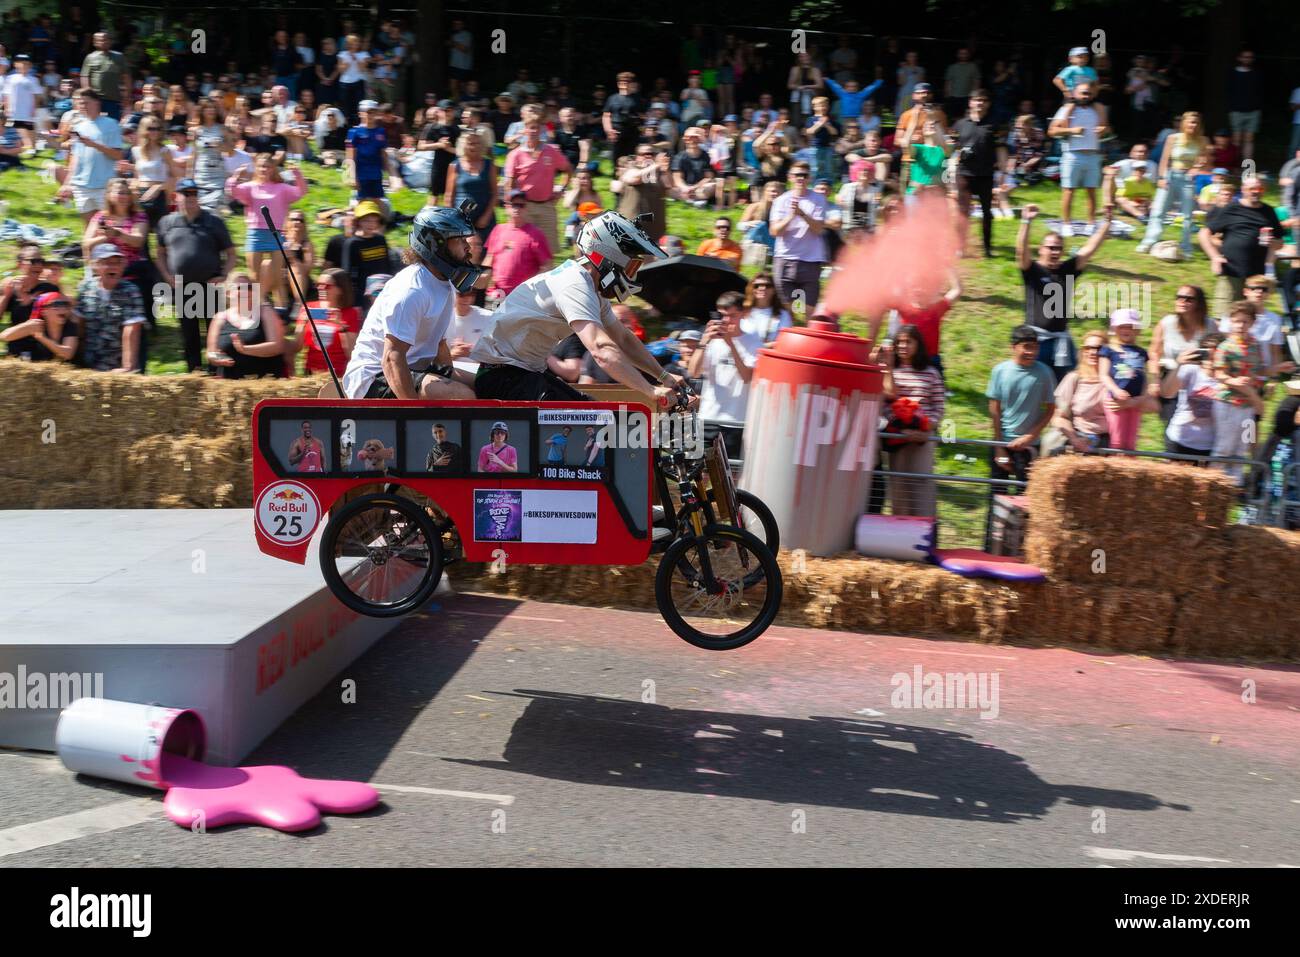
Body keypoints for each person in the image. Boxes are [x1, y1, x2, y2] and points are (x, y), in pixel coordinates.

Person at [470, 211, 688, 409]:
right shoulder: (575, 284)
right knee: (597, 422)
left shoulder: (590, 287)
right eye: (631, 267)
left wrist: (663, 376)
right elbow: (601, 350)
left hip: (521, 373)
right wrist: (649, 391)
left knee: (598, 416)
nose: (632, 276)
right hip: (503, 377)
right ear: (609, 257)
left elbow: (622, 338)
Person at [339, 203, 481, 400]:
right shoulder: (412, 290)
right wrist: (412, 419)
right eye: (459, 239)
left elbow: (439, 347)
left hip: (415, 369)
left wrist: (451, 379)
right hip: (373, 379)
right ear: (436, 244)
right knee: (462, 396)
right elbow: (391, 358)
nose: (467, 246)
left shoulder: (445, 283)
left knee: (486, 385)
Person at [1015, 201, 1113, 382]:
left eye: (1059, 248)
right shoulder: (1032, 270)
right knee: (1033, 383)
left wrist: (1106, 222)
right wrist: (1026, 222)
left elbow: (1090, 249)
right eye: (1051, 247)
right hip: (1037, 340)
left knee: (1066, 383)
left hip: (1061, 340)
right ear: (1041, 249)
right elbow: (1021, 251)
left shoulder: (1067, 270)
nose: (1055, 252)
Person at [155, 178, 236, 372]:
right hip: (182, 287)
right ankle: (195, 373)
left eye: (194, 193)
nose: (191, 197)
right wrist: (166, 276)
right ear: (176, 196)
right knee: (189, 335)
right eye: (186, 193)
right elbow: (159, 253)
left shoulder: (214, 221)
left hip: (210, 286)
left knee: (214, 333)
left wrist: (224, 275)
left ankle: (217, 372)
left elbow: (232, 253)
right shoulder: (166, 222)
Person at [879, 323, 944, 515]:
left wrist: (925, 428)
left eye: (908, 342)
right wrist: (901, 429)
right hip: (898, 436)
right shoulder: (890, 373)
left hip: (922, 436)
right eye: (899, 342)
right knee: (898, 485)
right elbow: (885, 403)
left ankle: (925, 530)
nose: (903, 346)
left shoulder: (932, 373)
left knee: (922, 482)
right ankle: (900, 531)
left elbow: (939, 407)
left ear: (918, 345)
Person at [225, 153, 306, 308]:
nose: (264, 169)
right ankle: (257, 308)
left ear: (272, 169)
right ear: (257, 168)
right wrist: (236, 176)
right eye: (261, 166)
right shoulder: (250, 187)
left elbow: (300, 192)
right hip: (255, 233)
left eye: (267, 166)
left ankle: (281, 310)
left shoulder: (281, 188)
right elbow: (232, 191)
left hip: (275, 234)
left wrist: (297, 174)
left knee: (276, 278)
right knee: (254, 277)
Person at [688, 291, 761, 461]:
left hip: (735, 421)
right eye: (722, 315)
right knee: (700, 472)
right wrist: (703, 342)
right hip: (708, 417)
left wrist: (731, 344)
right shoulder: (711, 340)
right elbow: (693, 372)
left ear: (744, 314)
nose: (726, 321)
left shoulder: (754, 342)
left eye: (732, 315)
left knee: (730, 475)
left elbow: (746, 377)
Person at [1200, 175, 1284, 316]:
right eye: (1252, 188)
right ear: (1244, 190)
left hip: (1256, 276)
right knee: (1223, 317)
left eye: (1259, 188)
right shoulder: (1232, 208)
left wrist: (1273, 243)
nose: (1256, 191)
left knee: (1252, 319)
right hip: (1231, 271)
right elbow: (1204, 233)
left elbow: (1280, 242)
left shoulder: (1269, 212)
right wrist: (1214, 257)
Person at [987, 324, 1057, 485]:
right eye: (1026, 347)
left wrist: (1030, 436)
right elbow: (994, 409)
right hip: (1003, 443)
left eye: (1035, 347)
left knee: (1026, 497)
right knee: (998, 496)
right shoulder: (1000, 371)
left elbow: (1050, 410)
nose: (1031, 352)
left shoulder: (1045, 373)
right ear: (1014, 347)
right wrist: (998, 446)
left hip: (1029, 447)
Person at [1210, 301, 1268, 481]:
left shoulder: (1255, 345)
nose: (1240, 325)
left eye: (1245, 322)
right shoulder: (1225, 346)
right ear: (1231, 322)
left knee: (1242, 447)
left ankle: (1234, 486)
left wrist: (1277, 369)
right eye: (1236, 321)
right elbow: (1218, 373)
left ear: (1252, 323)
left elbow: (1258, 370)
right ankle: (1214, 484)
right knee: (1224, 447)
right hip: (1228, 403)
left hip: (1248, 407)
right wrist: (1234, 381)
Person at [1136, 111, 1207, 256]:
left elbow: (1203, 159)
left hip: (1187, 179)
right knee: (1159, 211)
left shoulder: (1202, 140)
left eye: (1196, 123)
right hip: (1171, 175)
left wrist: (1196, 168)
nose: (1193, 125)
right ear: (1184, 123)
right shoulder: (1173, 138)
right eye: (1191, 122)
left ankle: (1186, 247)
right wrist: (1162, 177)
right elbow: (1164, 160)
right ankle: (1148, 242)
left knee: (1187, 215)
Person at [1148, 284, 1216, 423]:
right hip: (1171, 377)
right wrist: (1154, 381)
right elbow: (1154, 353)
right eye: (1179, 297)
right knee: (1172, 423)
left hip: (1198, 380)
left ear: (1199, 303)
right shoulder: (1166, 323)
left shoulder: (1210, 325)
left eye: (1189, 299)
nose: (1182, 301)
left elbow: (1220, 350)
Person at [75, 244, 147, 373]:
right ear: (95, 266)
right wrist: (76, 362)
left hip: (117, 363)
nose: (113, 267)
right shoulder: (85, 288)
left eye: (118, 262)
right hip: (89, 362)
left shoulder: (131, 291)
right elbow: (79, 324)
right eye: (107, 262)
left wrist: (127, 368)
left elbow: (131, 329)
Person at [56, 88, 124, 223]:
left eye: (86, 103)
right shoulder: (78, 126)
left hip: (104, 186)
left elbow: (118, 155)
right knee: (89, 229)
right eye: (80, 103)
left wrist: (95, 145)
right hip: (82, 186)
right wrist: (67, 184)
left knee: (108, 227)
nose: (83, 106)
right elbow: (75, 158)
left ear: (97, 103)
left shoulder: (111, 124)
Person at [1048, 81, 1109, 233]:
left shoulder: (1098, 109)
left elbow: (1108, 130)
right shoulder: (1066, 109)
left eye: (1088, 93)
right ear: (1075, 93)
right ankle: (1067, 224)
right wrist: (1072, 130)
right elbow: (1052, 131)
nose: (1085, 96)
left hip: (1093, 155)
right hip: (1072, 154)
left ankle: (1091, 224)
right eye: (1082, 93)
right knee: (1069, 191)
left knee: (1092, 191)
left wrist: (1104, 130)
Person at [769, 160, 828, 312]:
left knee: (808, 309)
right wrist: (790, 216)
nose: (800, 178)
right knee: (786, 309)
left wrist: (802, 214)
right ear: (790, 177)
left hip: (810, 260)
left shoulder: (819, 199)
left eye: (804, 175)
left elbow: (818, 229)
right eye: (797, 175)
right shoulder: (781, 201)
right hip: (785, 258)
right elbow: (775, 232)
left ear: (809, 178)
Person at [503, 122, 571, 252]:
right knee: (523, 249)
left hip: (547, 206)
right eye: (530, 128)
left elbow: (567, 169)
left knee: (548, 251)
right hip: (524, 206)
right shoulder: (515, 154)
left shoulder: (551, 151)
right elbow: (509, 184)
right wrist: (510, 206)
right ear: (524, 130)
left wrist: (561, 189)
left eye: (537, 128)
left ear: (542, 131)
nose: (533, 131)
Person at [206, 270, 287, 379]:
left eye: (249, 287)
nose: (245, 291)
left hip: (264, 381)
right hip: (228, 383)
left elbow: (277, 346)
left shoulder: (266, 312)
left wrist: (245, 349)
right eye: (240, 288)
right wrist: (216, 358)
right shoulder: (220, 317)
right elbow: (211, 352)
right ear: (228, 293)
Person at [1159, 331, 1223, 460]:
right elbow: (1167, 393)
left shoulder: (1226, 378)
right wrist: (1179, 365)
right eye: (1206, 352)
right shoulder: (1191, 370)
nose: (1210, 358)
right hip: (1178, 440)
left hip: (1208, 446)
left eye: (1215, 353)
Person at [483, 190, 553, 306]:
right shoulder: (498, 230)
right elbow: (489, 258)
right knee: (490, 324)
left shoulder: (536, 234)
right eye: (513, 205)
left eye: (521, 205)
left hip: (523, 297)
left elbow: (547, 265)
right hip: (496, 295)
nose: (517, 209)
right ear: (506, 207)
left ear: (526, 208)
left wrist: (530, 288)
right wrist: (481, 276)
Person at [1047, 328, 1111, 454]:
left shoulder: (1114, 381)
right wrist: (1074, 439)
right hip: (1079, 439)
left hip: (1109, 443)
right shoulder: (1073, 379)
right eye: (1088, 348)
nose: (1093, 352)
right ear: (1082, 352)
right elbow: (1058, 417)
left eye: (1098, 348)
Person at [1097, 308, 1152, 451]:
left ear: (1137, 330)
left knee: (1131, 441)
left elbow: (1144, 376)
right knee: (1118, 440)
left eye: (1131, 326)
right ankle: (1116, 467)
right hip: (1117, 401)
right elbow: (1103, 375)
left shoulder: (1141, 352)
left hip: (1136, 401)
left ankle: (1130, 467)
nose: (1126, 330)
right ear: (1115, 329)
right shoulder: (1108, 349)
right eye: (1122, 326)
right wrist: (1115, 390)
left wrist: (1143, 397)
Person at [290, 268, 360, 378]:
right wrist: (302, 324)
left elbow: (351, 354)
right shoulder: (308, 308)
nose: (321, 288)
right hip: (311, 374)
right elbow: (296, 348)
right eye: (318, 284)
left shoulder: (351, 313)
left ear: (340, 289)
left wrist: (341, 326)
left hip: (338, 375)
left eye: (327, 286)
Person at [952, 89, 996, 258]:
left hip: (986, 174)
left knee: (987, 213)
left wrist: (1003, 171)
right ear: (970, 102)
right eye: (976, 100)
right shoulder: (960, 124)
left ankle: (987, 248)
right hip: (964, 174)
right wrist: (957, 155)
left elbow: (1000, 150)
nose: (979, 103)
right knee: (963, 212)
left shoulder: (993, 125)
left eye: (983, 100)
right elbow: (951, 149)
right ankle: (960, 248)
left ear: (988, 104)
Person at [1, 245, 61, 360]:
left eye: (41, 261)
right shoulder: (10, 286)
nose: (38, 265)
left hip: (42, 349)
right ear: (20, 264)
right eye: (33, 261)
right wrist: (6, 295)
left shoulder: (49, 289)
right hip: (15, 350)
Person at [443, 131, 497, 243]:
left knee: (485, 251)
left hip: (485, 218)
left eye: (477, 143)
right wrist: (452, 220)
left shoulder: (489, 165)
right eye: (470, 143)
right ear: (463, 145)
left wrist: (486, 216)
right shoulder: (454, 166)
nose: (474, 146)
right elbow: (449, 196)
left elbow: (495, 194)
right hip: (461, 218)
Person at [0, 290, 77, 363]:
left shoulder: (69, 325)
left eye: (65, 304)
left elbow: (67, 354)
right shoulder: (35, 325)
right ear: (44, 311)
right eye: (56, 305)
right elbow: (4, 336)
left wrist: (42, 338)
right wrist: (26, 326)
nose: (63, 308)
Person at [339, 199, 391, 304]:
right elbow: (347, 272)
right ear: (358, 221)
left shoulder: (381, 239)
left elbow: (387, 264)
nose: (370, 224)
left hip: (384, 288)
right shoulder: (352, 243)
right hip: (363, 293)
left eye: (374, 220)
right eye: (366, 220)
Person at [79, 31, 127, 120]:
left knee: (113, 124)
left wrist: (127, 95)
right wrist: (88, 94)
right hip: (96, 99)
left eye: (107, 39)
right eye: (101, 40)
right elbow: (84, 76)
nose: (104, 42)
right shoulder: (90, 57)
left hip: (113, 99)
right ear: (95, 42)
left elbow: (126, 76)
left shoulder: (119, 57)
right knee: (93, 122)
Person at [1226, 49, 1262, 163]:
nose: (1247, 59)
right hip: (1236, 111)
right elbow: (1228, 91)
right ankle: (1234, 166)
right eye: (1245, 56)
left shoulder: (1257, 74)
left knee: (1249, 140)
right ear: (1239, 58)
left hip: (1253, 111)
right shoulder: (1232, 73)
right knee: (1236, 140)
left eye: (1250, 57)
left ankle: (1248, 168)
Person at [740, 271, 792, 343]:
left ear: (774, 290)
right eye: (757, 286)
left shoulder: (783, 315)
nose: (762, 288)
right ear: (752, 289)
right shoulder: (741, 311)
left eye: (767, 286)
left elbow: (785, 341)